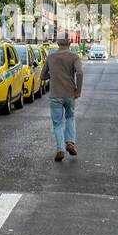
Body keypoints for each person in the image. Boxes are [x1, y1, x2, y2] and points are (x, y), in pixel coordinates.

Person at [41, 34, 83, 162]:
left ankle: (60, 149)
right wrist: (78, 90)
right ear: (70, 42)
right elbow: (80, 73)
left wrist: (54, 75)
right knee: (70, 117)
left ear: (58, 43)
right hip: (70, 93)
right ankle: (70, 142)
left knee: (57, 122)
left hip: (55, 94)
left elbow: (43, 76)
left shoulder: (51, 57)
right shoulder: (74, 57)